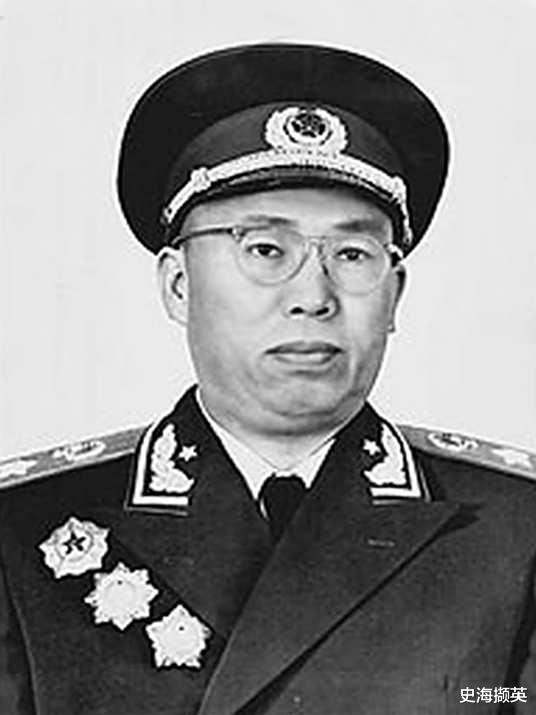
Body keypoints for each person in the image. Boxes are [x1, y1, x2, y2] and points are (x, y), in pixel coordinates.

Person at [1, 43, 536, 715]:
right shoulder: (20, 530)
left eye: (352, 254)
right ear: (178, 285)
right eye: (265, 249)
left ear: (395, 294)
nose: (313, 296)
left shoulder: (516, 529)